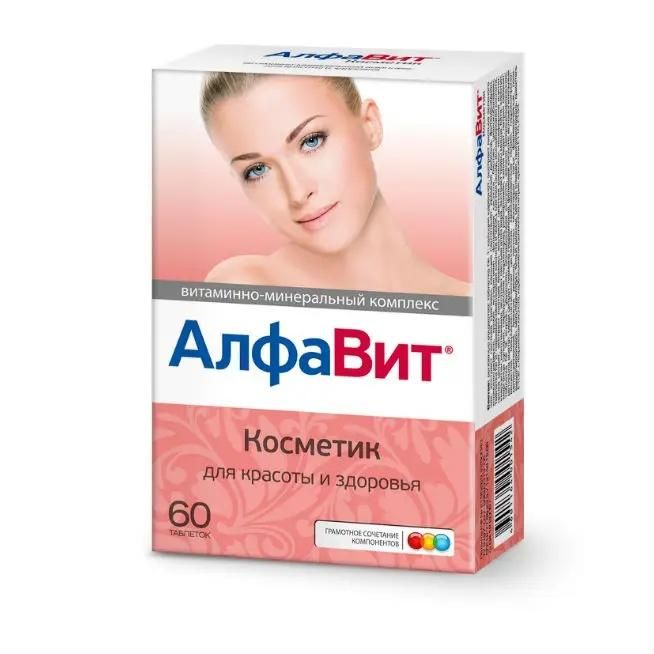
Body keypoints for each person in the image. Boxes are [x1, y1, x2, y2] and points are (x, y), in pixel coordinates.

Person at [200, 72, 470, 296]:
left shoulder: (475, 308)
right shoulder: (246, 288)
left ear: (370, 125)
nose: (297, 193)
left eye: (311, 141)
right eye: (257, 170)